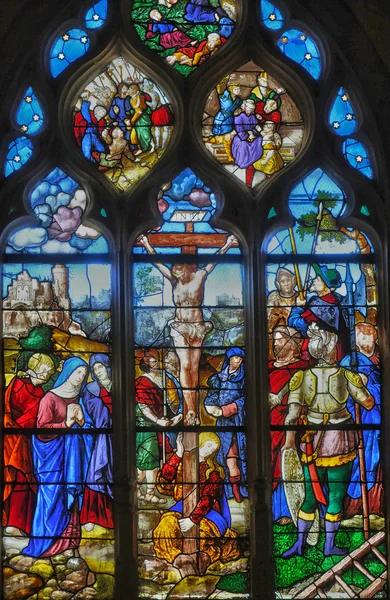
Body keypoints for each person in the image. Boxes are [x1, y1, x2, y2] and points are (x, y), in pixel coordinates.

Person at [281, 325, 374, 558]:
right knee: (335, 495)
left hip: (310, 442)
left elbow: (291, 415)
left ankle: (300, 544)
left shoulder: (301, 377)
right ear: (332, 351)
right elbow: (369, 403)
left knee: (309, 496)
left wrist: (289, 442)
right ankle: (329, 546)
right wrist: (362, 382)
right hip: (339, 439)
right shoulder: (346, 376)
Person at [137, 233, 237, 425]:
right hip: (180, 327)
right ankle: (190, 411)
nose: (176, 273)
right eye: (174, 271)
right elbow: (158, 264)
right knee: (184, 366)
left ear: (185, 267)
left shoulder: (199, 276)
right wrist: (147, 244)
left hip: (197, 327)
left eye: (179, 270)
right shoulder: (174, 282)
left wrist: (227, 244)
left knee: (193, 367)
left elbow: (214, 261)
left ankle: (193, 411)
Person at [23, 357, 92, 557]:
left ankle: (68, 542)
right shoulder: (49, 399)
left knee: (70, 498)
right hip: (51, 457)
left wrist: (82, 424)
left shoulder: (78, 399)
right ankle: (45, 544)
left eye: (84, 373)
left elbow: (87, 427)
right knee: (51, 498)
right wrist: (65, 426)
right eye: (78, 372)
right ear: (67, 373)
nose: (81, 377)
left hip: (71, 459)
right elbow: (41, 429)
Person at [153, 431, 241, 571]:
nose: (210, 450)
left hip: (208, 513)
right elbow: (164, 482)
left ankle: (205, 557)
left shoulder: (214, 472)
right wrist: (179, 454)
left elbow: (208, 499)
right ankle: (179, 559)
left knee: (203, 535)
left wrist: (192, 520)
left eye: (214, 449)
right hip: (180, 509)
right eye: (208, 445)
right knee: (165, 526)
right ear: (200, 442)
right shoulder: (182, 463)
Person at [3, 353, 54, 536]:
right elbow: (20, 415)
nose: (47, 374)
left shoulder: (40, 392)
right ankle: (12, 523)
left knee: (26, 482)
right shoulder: (18, 385)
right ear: (33, 368)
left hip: (27, 442)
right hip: (12, 440)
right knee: (16, 479)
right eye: (44, 370)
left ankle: (22, 526)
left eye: (49, 371)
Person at [340, 323, 382, 517]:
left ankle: (375, 505)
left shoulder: (381, 360)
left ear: (376, 339)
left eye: (368, 337)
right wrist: (356, 387)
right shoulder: (350, 360)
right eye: (360, 338)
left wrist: (370, 388)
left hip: (376, 420)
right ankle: (355, 505)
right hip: (357, 420)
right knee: (360, 460)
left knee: (375, 460)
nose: (364, 342)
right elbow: (340, 389)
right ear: (355, 341)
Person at [268, 327, 308, 522]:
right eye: (274, 341)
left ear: (291, 343)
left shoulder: (303, 367)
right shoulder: (266, 366)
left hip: (290, 423)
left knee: (287, 463)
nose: (275, 344)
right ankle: (273, 511)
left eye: (278, 340)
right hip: (267, 421)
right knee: (268, 462)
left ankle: (287, 512)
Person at [136, 353, 182, 504]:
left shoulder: (163, 379)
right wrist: (157, 420)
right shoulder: (142, 382)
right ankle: (148, 493)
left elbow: (165, 405)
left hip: (158, 425)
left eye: (156, 361)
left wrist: (172, 418)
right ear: (146, 366)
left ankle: (139, 490)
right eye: (153, 362)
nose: (157, 364)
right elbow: (143, 407)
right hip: (146, 426)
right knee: (149, 462)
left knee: (147, 462)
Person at [204, 347, 247, 503]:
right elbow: (212, 396)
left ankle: (240, 488)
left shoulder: (245, 378)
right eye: (234, 358)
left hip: (240, 422)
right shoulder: (218, 378)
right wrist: (211, 407)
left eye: (240, 359)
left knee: (241, 457)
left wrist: (230, 408)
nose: (237, 361)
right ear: (228, 359)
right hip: (224, 424)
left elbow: (247, 399)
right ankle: (231, 489)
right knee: (228, 458)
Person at [288, 263, 350, 360]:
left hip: (318, 354)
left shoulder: (318, 305)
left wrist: (298, 307)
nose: (313, 280)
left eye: (318, 278)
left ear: (328, 286)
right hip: (340, 353)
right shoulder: (338, 301)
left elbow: (295, 324)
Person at [80, 354, 114, 531]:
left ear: (108, 367)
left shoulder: (121, 385)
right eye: (94, 369)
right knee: (96, 473)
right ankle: (92, 516)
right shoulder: (90, 389)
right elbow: (91, 412)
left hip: (120, 438)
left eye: (100, 367)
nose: (98, 371)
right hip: (100, 437)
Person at [231, 99, 263, 187]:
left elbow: (256, 127)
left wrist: (255, 132)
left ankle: (255, 160)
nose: (251, 110)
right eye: (249, 108)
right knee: (244, 145)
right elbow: (240, 131)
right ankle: (244, 162)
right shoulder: (238, 117)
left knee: (260, 140)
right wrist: (247, 137)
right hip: (241, 138)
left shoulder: (252, 117)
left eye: (252, 109)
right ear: (244, 107)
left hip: (252, 136)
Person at [209, 76, 242, 162]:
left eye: (238, 89)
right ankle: (229, 156)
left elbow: (239, 108)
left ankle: (230, 155)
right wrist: (226, 77)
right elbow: (220, 85)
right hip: (221, 119)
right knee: (227, 138)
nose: (238, 91)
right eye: (236, 89)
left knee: (226, 138)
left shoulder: (238, 100)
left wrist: (238, 111)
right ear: (231, 89)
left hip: (230, 119)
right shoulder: (224, 96)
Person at [267, 267, 299, 331]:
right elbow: (269, 320)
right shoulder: (274, 298)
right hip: (278, 333)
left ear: (293, 281)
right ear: (278, 284)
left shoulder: (299, 297)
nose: (286, 284)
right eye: (283, 281)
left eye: (288, 280)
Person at [126, 84, 153, 154]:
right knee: (137, 135)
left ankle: (152, 145)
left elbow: (139, 111)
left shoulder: (137, 98)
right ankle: (141, 148)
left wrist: (132, 120)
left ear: (134, 90)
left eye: (129, 89)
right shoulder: (133, 98)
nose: (128, 90)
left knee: (145, 134)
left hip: (142, 119)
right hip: (138, 120)